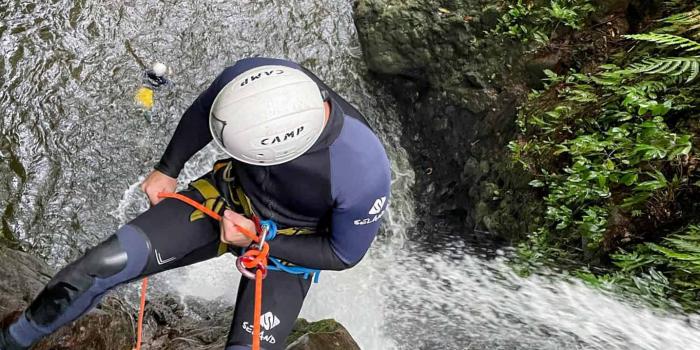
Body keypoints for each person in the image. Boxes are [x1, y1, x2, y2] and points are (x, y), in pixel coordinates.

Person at [0, 57, 391, 350]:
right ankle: (12, 342)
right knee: (97, 267)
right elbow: (208, 109)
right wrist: (168, 169)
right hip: (226, 197)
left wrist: (257, 239)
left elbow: (342, 253)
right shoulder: (255, 81)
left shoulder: (362, 171)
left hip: (290, 242)